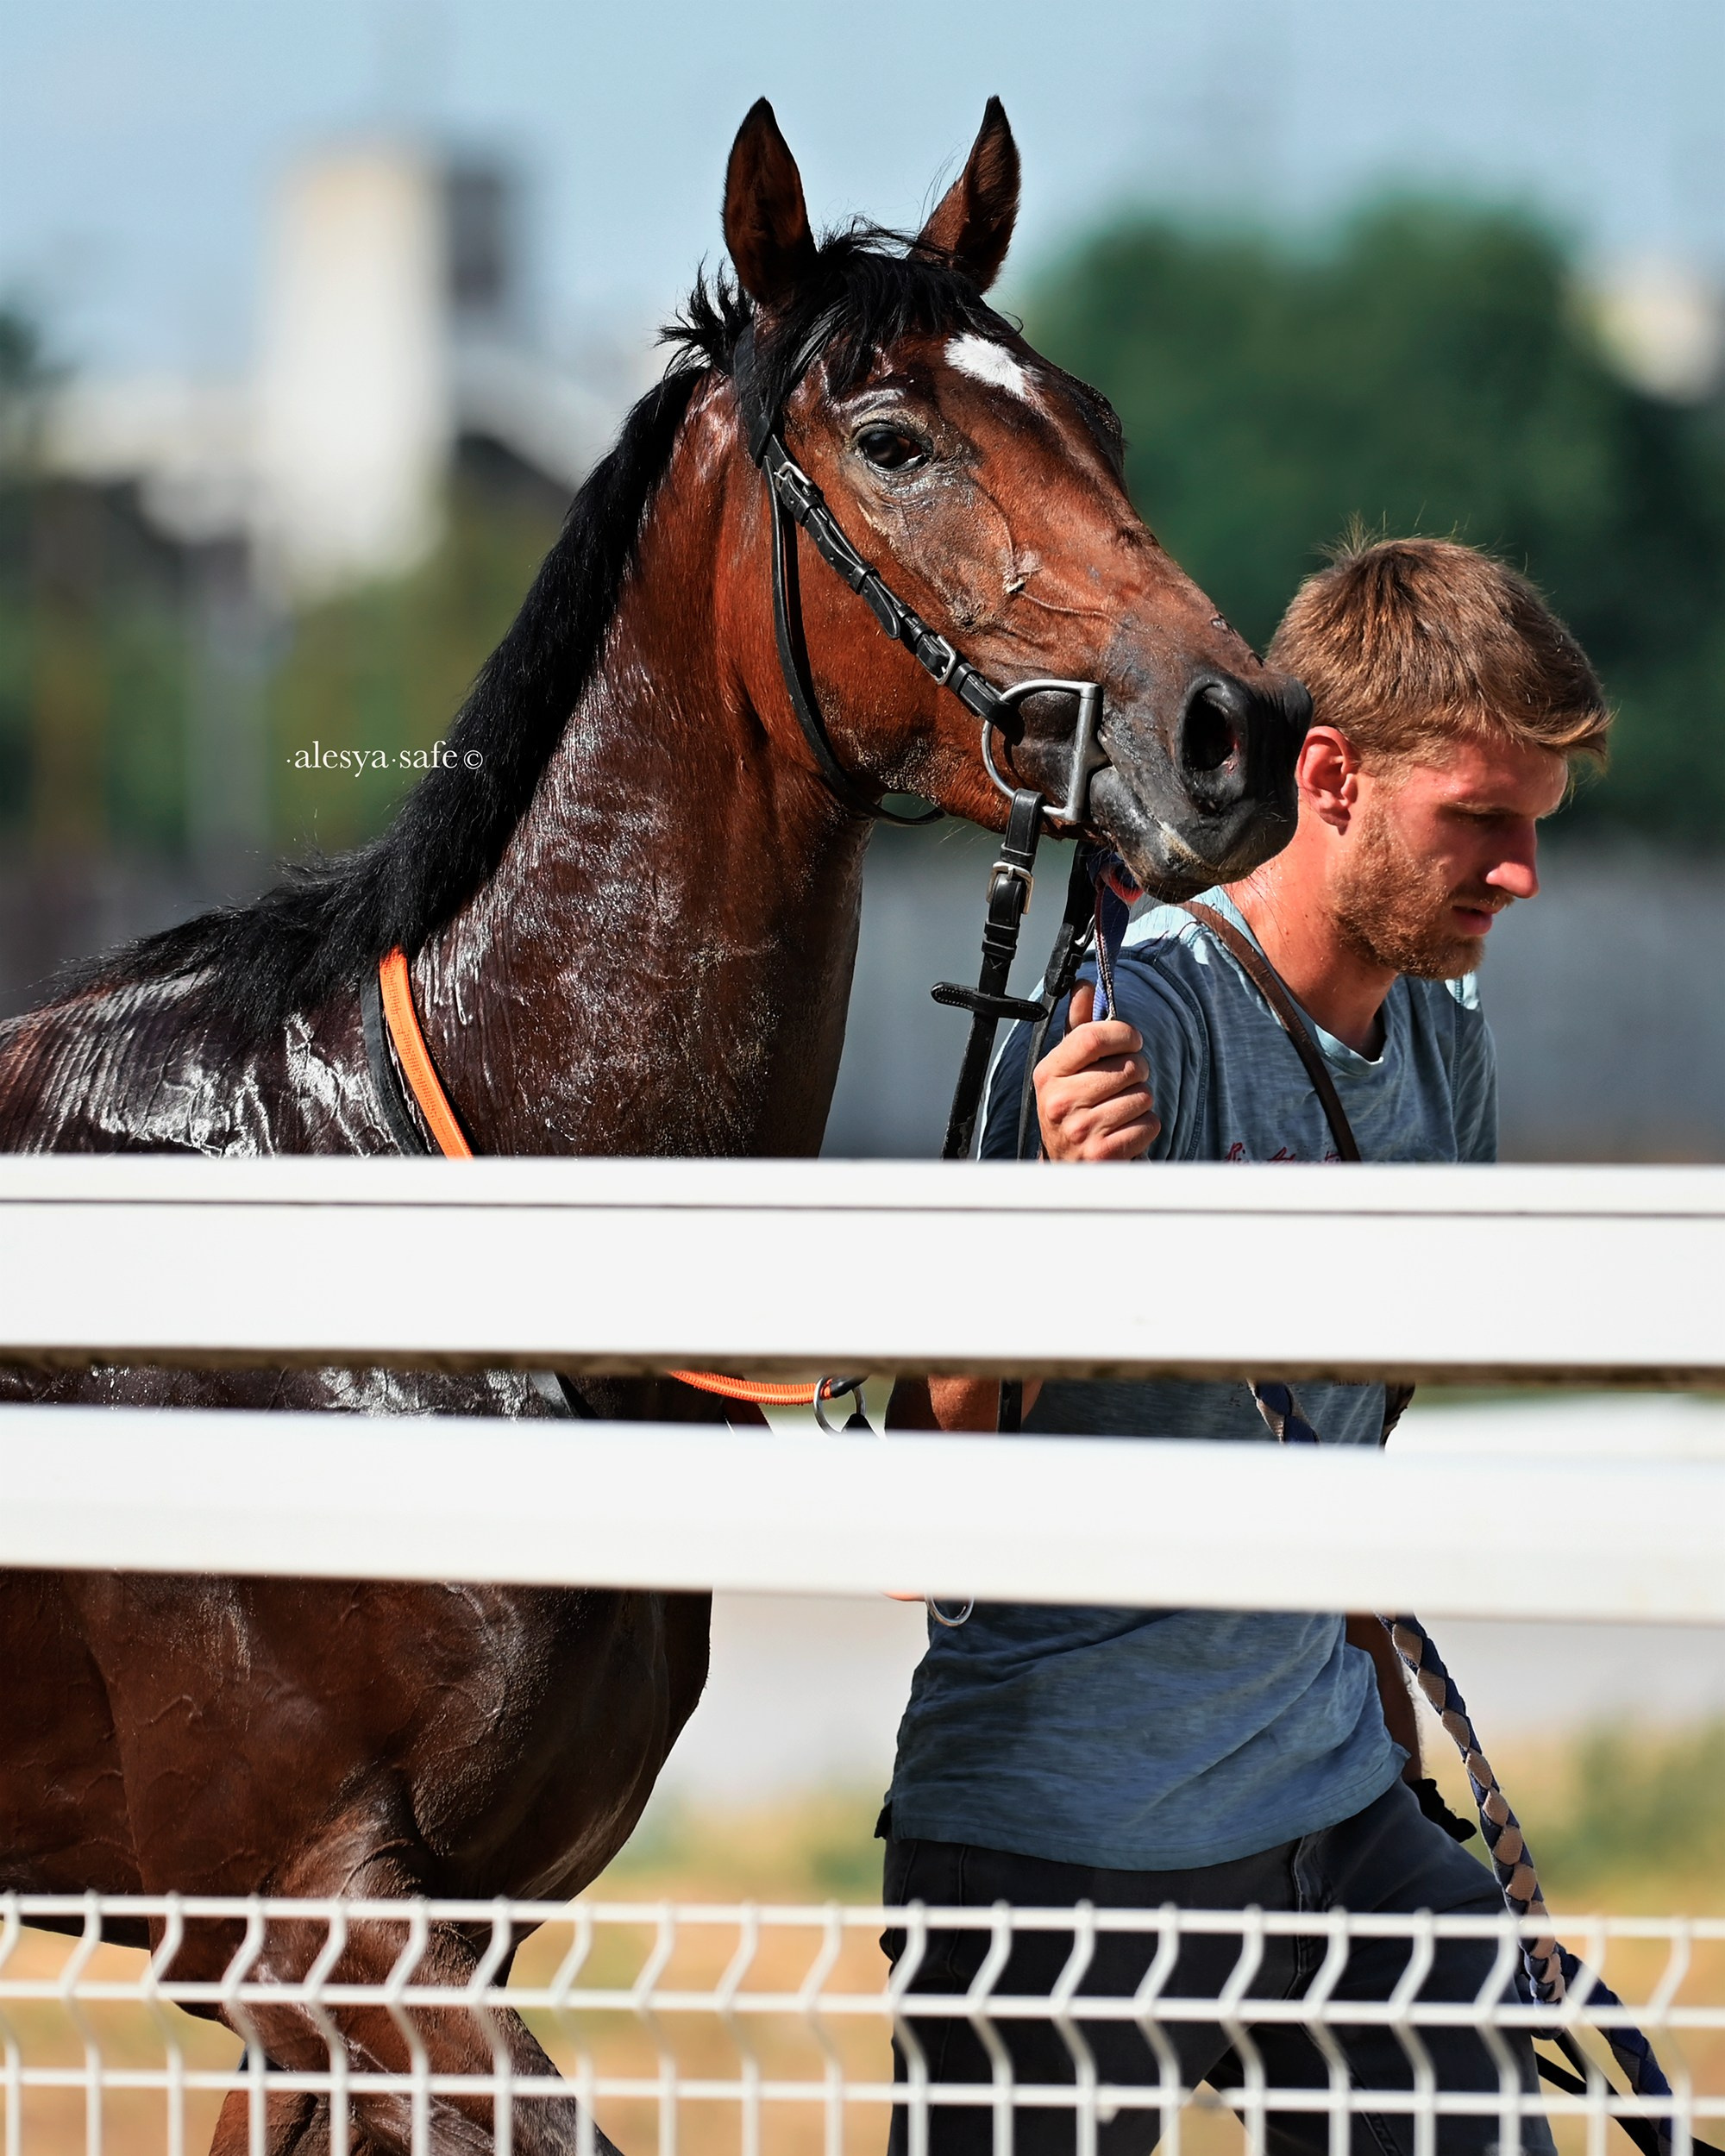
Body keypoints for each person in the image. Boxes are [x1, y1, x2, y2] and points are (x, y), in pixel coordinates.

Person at [880, 538, 1612, 2156]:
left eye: (1532, 827)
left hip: (1333, 1826)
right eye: (1478, 821)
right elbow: (923, 1502)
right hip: (1058, 1851)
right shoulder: (1138, 1026)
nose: (1519, 874)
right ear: (1333, 778)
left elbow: (1340, 1467)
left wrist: (1396, 1767)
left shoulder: (1440, 1054)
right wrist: (1050, 1235)